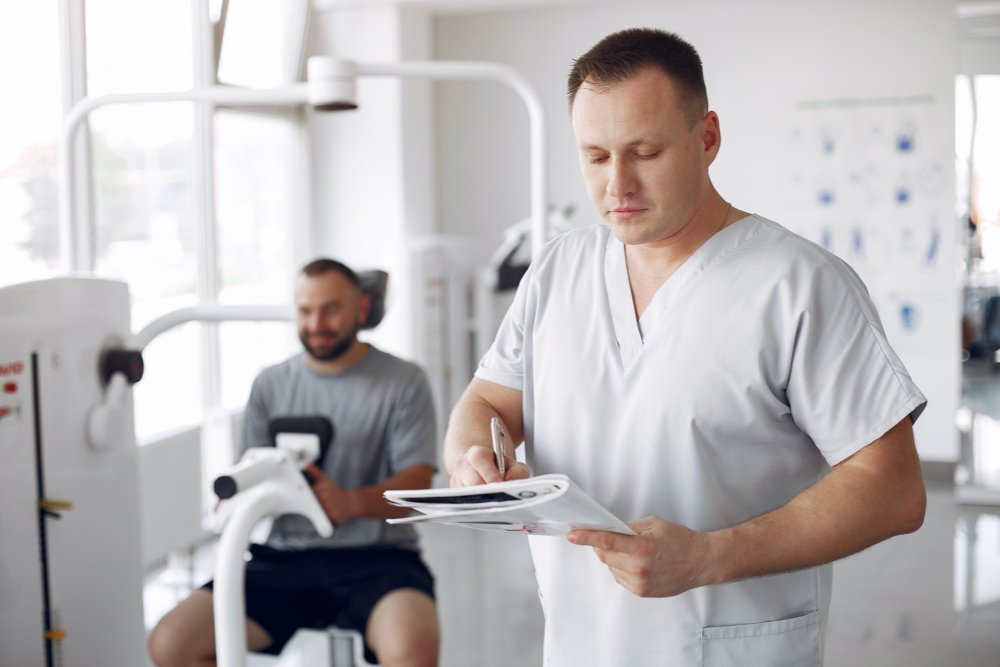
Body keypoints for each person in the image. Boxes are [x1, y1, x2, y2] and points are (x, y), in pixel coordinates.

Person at [444, 28, 927, 666]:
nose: (617, 185)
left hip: (730, 648)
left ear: (708, 139)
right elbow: (488, 401)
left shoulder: (798, 285)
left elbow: (893, 490)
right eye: (594, 156)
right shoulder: (558, 271)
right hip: (581, 643)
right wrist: (472, 455)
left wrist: (710, 556)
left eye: (644, 152)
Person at [150, 259, 439, 667]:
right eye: (305, 311)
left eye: (331, 309)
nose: (316, 322)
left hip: (378, 559)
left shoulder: (404, 380)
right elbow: (248, 465)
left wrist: (351, 503)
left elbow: (419, 483)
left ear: (360, 310)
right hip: (283, 559)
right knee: (170, 643)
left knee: (412, 652)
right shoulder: (270, 383)